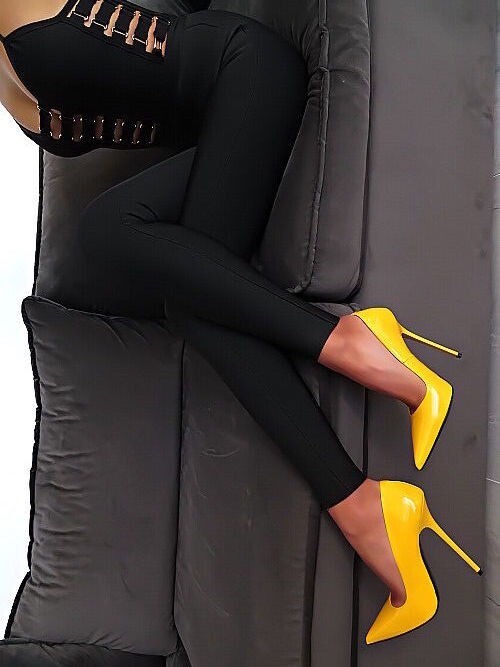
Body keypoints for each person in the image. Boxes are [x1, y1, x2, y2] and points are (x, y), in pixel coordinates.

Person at [0, 0, 482, 644]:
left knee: (105, 232)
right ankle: (365, 503)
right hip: (222, 132)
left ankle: (355, 370)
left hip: (246, 69)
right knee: (184, 301)